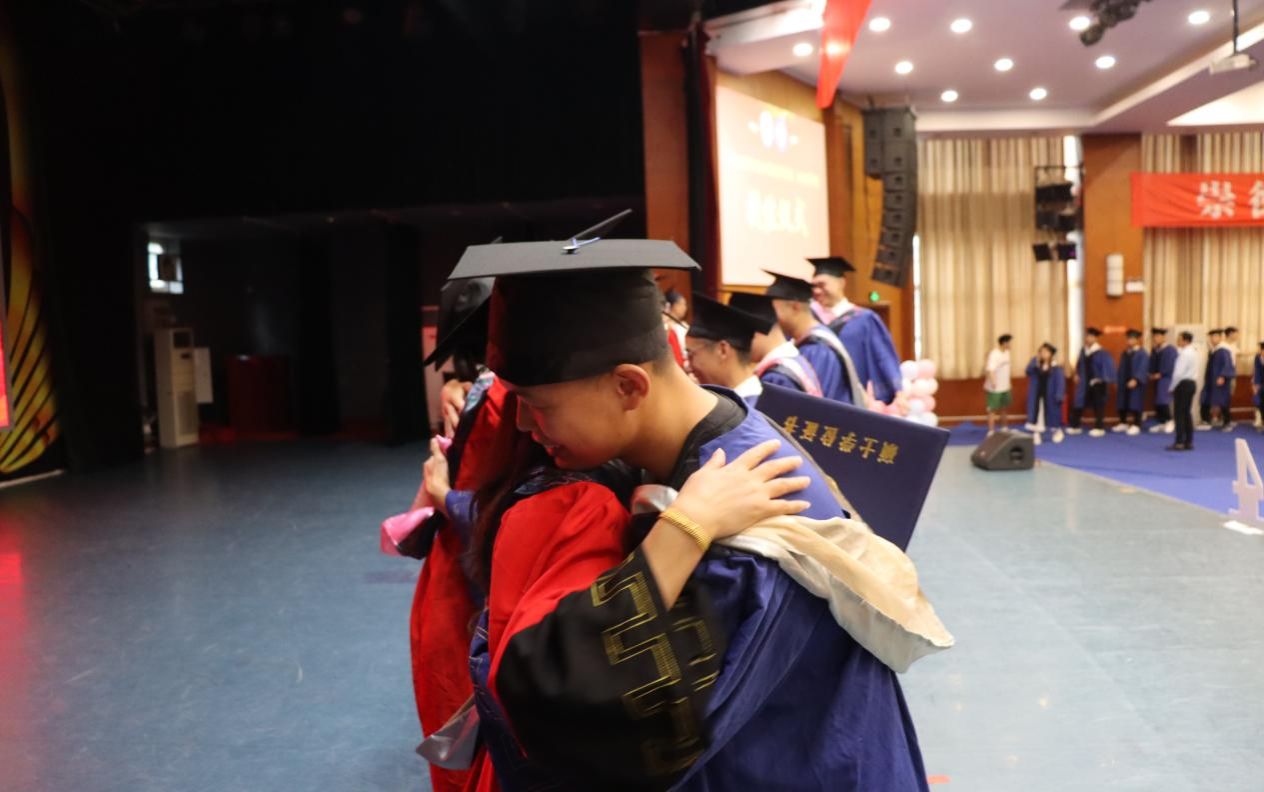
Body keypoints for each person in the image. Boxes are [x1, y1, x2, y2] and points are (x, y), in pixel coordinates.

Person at [440, 237, 946, 791]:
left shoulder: (748, 530)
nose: (521, 425)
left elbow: (584, 719)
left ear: (629, 385)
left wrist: (682, 531)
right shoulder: (715, 429)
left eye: (538, 405)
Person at [407, 276, 502, 792]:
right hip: (471, 575)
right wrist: (446, 496)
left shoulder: (476, 393)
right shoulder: (490, 400)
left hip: (458, 571)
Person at [808, 256, 904, 403]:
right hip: (813, 398)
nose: (817, 291)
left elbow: (883, 356)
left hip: (850, 399)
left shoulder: (864, 319)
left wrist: (898, 391)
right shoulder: (808, 319)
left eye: (822, 285)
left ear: (841, 283)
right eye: (813, 286)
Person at [764, 269, 866, 405]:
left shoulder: (817, 350)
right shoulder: (808, 342)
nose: (770, 317)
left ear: (795, 307)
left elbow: (818, 405)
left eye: (773, 310)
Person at [684, 292, 775, 407]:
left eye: (691, 354)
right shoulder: (723, 404)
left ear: (722, 350)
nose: (688, 367)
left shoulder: (759, 408)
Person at [729, 291, 824, 398]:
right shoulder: (793, 358)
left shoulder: (777, 378)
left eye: (739, 338)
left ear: (754, 334)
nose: (739, 348)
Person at [1068, 327, 1115, 437]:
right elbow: (1079, 365)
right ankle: (1075, 426)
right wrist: (1077, 374)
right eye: (1087, 336)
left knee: (1098, 405)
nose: (1088, 338)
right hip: (1084, 381)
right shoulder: (1083, 351)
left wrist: (1101, 379)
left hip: (1097, 382)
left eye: (1091, 336)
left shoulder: (1102, 352)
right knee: (1078, 402)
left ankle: (1099, 427)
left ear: (1096, 338)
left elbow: (1106, 367)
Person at [1024, 342, 1065, 445]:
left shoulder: (1056, 367)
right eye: (1041, 351)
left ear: (1051, 354)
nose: (1043, 353)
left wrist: (1059, 394)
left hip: (1051, 395)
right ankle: (1036, 433)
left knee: (1052, 415)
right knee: (1038, 414)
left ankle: (1057, 432)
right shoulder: (1036, 364)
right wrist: (1035, 361)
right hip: (1037, 395)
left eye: (1046, 352)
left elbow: (1060, 382)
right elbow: (1028, 371)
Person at [1113, 329, 1149, 436]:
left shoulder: (1142, 353)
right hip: (1124, 380)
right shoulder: (1125, 353)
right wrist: (1118, 380)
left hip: (1136, 382)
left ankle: (1137, 424)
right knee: (1122, 402)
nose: (1129, 341)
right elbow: (1121, 367)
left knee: (1136, 403)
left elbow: (1143, 367)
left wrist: (1136, 379)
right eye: (1128, 339)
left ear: (1137, 340)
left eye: (1132, 339)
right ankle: (1123, 422)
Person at [1198, 328, 1235, 431]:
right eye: (1211, 337)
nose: (1212, 339)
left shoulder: (1223, 350)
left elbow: (1227, 364)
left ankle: (1227, 422)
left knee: (1222, 401)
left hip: (1220, 381)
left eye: (1214, 336)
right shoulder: (1213, 350)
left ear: (1220, 337)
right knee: (1205, 399)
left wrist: (1222, 376)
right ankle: (1206, 420)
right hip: (1211, 380)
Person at [1168, 331, 1198, 451]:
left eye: (1179, 339)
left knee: (1179, 414)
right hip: (1191, 383)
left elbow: (1178, 373)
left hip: (1182, 384)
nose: (1177, 341)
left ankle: (1179, 441)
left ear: (1185, 341)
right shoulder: (1194, 352)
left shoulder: (1184, 354)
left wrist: (1171, 387)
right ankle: (1188, 441)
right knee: (1186, 413)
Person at [1147, 327, 1177, 434]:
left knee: (1163, 400)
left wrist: (1160, 374)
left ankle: (1170, 421)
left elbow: (1170, 365)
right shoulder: (1155, 349)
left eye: (1158, 336)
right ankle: (1162, 422)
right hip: (1157, 378)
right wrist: (1150, 373)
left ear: (1164, 337)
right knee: (1158, 401)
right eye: (1154, 336)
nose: (1156, 338)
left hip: (1166, 378)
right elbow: (1151, 363)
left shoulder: (1170, 349)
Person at [984, 334, 1013, 435]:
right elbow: (990, 369)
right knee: (992, 410)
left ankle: (1004, 427)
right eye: (1009, 342)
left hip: (1005, 387)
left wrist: (1008, 383)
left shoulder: (1007, 353)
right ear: (1004, 343)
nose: (1011, 345)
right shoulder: (994, 354)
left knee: (1004, 408)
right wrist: (993, 382)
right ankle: (991, 431)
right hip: (995, 388)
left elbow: (1006, 369)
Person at [1254, 341, 1264, 432]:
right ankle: (1262, 422)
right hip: (1261, 384)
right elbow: (1257, 371)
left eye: (1259, 349)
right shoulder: (1257, 357)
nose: (1258, 350)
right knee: (1260, 403)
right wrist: (1256, 384)